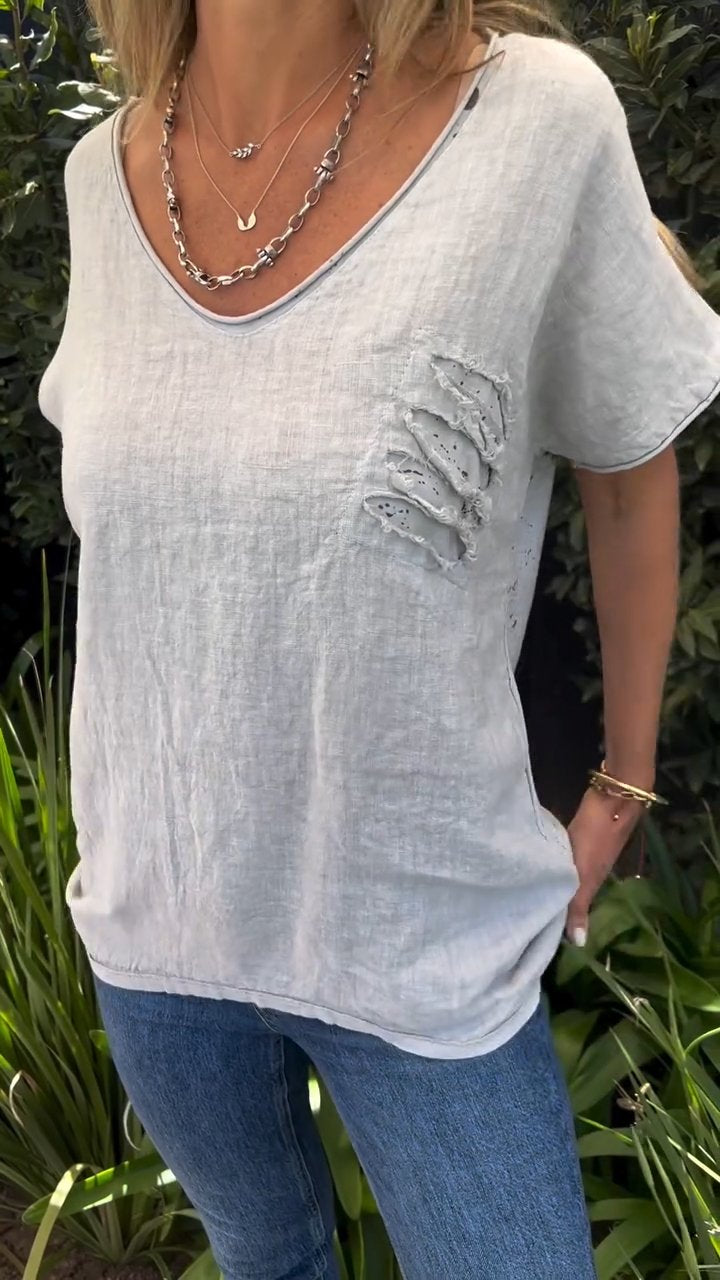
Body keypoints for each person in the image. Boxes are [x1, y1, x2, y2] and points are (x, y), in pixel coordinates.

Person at [37, 0, 720, 1275]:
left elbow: (630, 460)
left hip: (425, 940)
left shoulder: (535, 122)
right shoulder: (98, 176)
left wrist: (623, 781)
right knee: (268, 1259)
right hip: (159, 933)